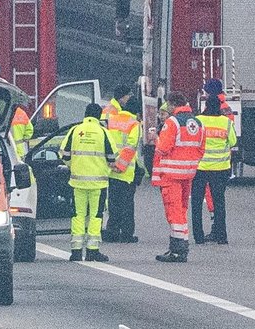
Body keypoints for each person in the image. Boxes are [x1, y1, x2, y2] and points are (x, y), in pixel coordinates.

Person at [152, 92, 205, 263]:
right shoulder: (198, 123)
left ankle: (178, 249)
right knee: (182, 211)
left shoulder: (172, 122)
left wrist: (156, 139)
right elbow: (201, 149)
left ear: (174, 104)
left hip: (171, 174)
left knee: (174, 213)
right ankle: (179, 247)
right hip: (189, 173)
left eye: (168, 104)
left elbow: (163, 148)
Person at [60, 103, 115, 262]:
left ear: (85, 114)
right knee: (95, 216)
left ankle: (76, 251)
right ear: (99, 116)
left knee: (77, 215)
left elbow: (64, 154)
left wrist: (74, 166)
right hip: (98, 183)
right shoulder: (103, 132)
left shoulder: (75, 130)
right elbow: (112, 157)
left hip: (77, 182)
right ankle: (92, 250)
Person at [192, 95, 237, 245]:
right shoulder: (226, 122)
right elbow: (233, 141)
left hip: (200, 168)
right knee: (219, 203)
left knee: (197, 203)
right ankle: (221, 236)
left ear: (205, 105)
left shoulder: (198, 120)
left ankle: (198, 237)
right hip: (220, 168)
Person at [103, 95, 143, 244]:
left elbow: (106, 142)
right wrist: (121, 165)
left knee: (113, 203)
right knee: (127, 204)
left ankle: (112, 231)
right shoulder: (134, 124)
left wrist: (112, 163)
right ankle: (126, 234)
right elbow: (131, 147)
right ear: (137, 112)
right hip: (125, 171)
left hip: (111, 168)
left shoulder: (112, 120)